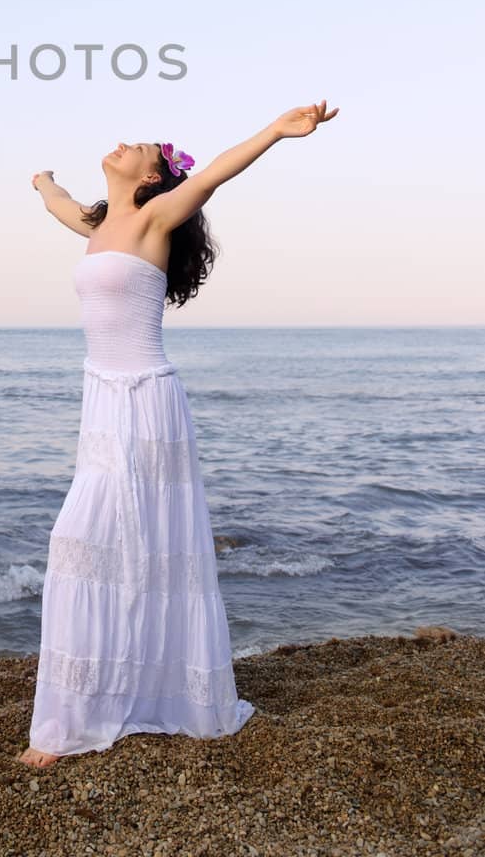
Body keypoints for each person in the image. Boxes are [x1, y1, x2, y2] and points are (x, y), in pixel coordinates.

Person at [17, 100, 340, 767]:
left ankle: (72, 721)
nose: (123, 141)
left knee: (87, 539)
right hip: (103, 402)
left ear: (152, 178)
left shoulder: (157, 216)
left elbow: (213, 174)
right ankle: (107, 695)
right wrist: (42, 182)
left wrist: (278, 131)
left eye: (139, 145)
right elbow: (62, 206)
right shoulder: (98, 224)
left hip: (144, 403)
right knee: (112, 541)